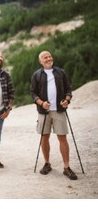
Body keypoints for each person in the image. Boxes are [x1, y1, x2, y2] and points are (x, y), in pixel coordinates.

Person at [30, 51, 77, 180]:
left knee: (63, 138)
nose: (48, 58)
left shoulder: (60, 72)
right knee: (44, 138)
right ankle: (47, 163)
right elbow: (33, 93)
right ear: (41, 61)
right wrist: (41, 103)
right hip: (43, 111)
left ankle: (66, 167)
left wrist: (67, 100)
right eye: (45, 57)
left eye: (50, 56)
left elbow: (68, 89)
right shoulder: (36, 75)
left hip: (59, 110)